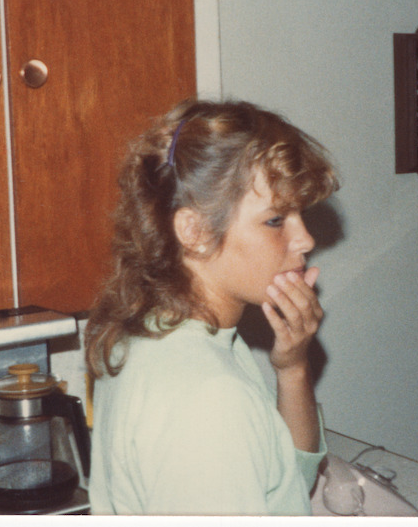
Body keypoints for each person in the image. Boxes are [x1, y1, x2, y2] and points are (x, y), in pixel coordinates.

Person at [84, 99, 339, 515]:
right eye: (276, 220)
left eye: (300, 215)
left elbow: (287, 483)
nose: (305, 239)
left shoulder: (156, 331)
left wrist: (292, 368)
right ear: (195, 231)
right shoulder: (210, 399)